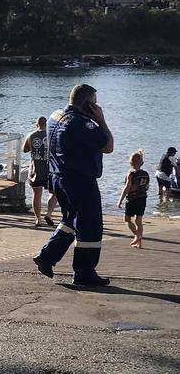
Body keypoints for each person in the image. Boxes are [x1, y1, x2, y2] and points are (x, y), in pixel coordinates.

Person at [33, 84, 114, 287]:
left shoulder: (55, 115)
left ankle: (46, 256)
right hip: (80, 181)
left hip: (59, 178)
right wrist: (101, 120)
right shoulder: (80, 124)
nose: (97, 107)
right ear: (88, 104)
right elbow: (108, 146)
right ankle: (84, 272)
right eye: (95, 104)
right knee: (90, 227)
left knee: (70, 221)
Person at [22, 117, 57, 227]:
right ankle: (49, 214)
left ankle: (38, 219)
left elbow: (24, 149)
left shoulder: (30, 136)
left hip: (35, 169)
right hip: (50, 169)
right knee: (54, 192)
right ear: (46, 124)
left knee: (36, 194)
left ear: (36, 124)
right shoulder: (52, 135)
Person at [117, 150, 149, 248]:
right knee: (138, 220)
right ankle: (139, 242)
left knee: (127, 219)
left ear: (130, 163)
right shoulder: (145, 174)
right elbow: (147, 187)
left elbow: (127, 188)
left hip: (132, 199)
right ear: (142, 163)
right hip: (143, 198)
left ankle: (137, 235)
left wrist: (120, 200)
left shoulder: (131, 174)